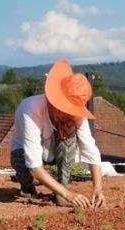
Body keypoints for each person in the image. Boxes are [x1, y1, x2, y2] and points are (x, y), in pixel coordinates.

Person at [10, 59, 105, 208]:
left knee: (69, 136)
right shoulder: (30, 109)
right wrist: (70, 195)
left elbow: (91, 151)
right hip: (26, 154)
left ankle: (61, 188)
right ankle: (28, 185)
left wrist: (98, 188)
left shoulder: (76, 118)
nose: (71, 116)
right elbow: (34, 165)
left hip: (54, 152)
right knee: (23, 166)